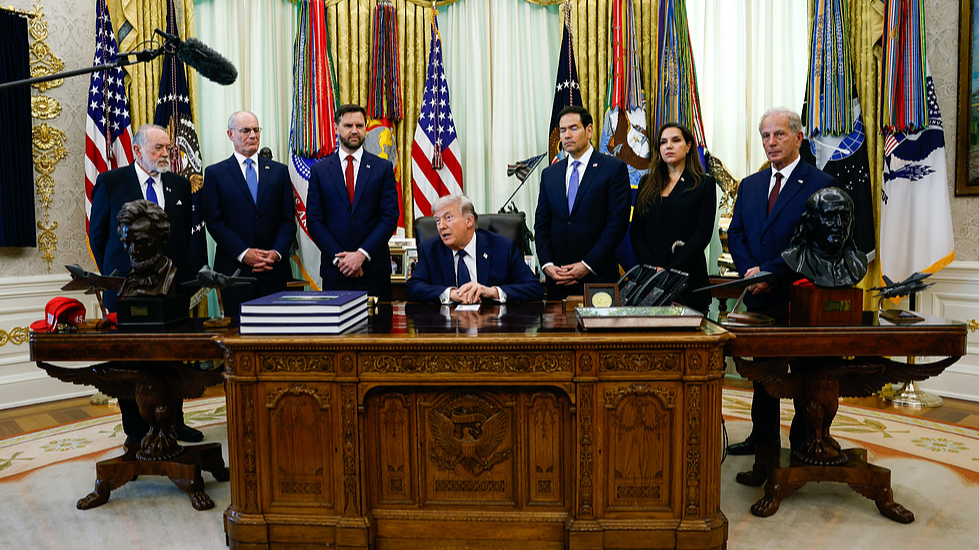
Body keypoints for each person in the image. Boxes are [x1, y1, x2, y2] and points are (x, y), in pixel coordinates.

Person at [725, 107, 835, 463]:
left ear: (799, 138)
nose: (770, 143)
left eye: (779, 135)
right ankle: (763, 441)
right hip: (759, 297)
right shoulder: (751, 184)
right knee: (764, 377)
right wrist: (749, 272)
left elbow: (812, 244)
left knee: (805, 377)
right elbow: (737, 232)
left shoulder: (820, 184)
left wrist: (768, 273)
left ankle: (805, 442)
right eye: (765, 136)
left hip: (797, 298)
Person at [88, 123, 203, 445]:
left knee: (172, 357)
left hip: (170, 288)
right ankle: (136, 431)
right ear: (137, 151)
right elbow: (98, 236)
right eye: (158, 148)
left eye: (168, 148)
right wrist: (116, 275)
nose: (166, 154)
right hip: (127, 290)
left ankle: (175, 423)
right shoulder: (111, 182)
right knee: (130, 358)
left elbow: (185, 237)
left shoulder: (180, 186)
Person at [202, 111, 296, 319]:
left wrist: (276, 253)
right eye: (245, 130)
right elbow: (215, 222)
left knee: (279, 335)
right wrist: (245, 253)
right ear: (230, 134)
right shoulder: (215, 173)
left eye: (256, 130)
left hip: (274, 271)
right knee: (237, 335)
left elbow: (288, 220)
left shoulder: (279, 172)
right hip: (235, 273)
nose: (252, 135)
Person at [535, 105, 631, 300]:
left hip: (597, 278)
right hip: (558, 280)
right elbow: (542, 225)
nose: (567, 135)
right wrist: (547, 265)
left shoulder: (613, 169)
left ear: (589, 130)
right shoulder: (550, 174)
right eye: (563, 130)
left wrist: (586, 265)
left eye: (573, 128)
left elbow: (617, 224)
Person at [306, 104, 400, 300]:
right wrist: (342, 260)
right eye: (348, 125)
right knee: (337, 331)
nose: (354, 131)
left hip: (373, 272)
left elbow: (389, 217)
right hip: (336, 272)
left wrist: (361, 255)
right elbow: (314, 221)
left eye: (359, 125)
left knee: (378, 329)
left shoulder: (382, 168)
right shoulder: (320, 171)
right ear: (336, 128)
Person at [630, 123, 717, 313]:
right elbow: (636, 232)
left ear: (688, 146)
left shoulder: (704, 184)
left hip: (688, 281)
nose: (668, 146)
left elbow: (701, 235)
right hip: (651, 280)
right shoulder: (646, 182)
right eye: (663, 142)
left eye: (675, 140)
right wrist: (655, 271)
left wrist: (670, 273)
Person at [406, 195, 543, 304]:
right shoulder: (430, 250)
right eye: (437, 220)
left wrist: (491, 292)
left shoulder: (503, 247)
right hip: (447, 331)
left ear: (469, 221)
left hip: (493, 329)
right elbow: (412, 288)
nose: (441, 226)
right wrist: (450, 294)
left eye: (448, 218)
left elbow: (534, 288)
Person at [781, 187, 868, 288]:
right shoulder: (795, 259)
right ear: (810, 223)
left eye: (845, 217)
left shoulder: (858, 263)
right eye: (829, 216)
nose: (839, 224)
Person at [116, 200, 179, 298]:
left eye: (142, 242)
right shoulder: (128, 283)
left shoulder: (170, 276)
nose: (133, 251)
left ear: (161, 239)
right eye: (127, 243)